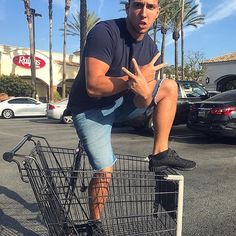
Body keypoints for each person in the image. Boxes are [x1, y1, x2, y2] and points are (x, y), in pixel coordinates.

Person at [68, 0, 196, 234]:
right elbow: (93, 87)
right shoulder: (104, 32)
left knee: (168, 87)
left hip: (123, 103)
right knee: (104, 171)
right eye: (138, 5)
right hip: (90, 109)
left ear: (158, 12)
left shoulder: (151, 49)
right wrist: (132, 80)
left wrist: (145, 93)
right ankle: (94, 224)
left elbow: (142, 102)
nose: (143, 13)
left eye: (150, 7)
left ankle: (160, 155)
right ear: (127, 8)